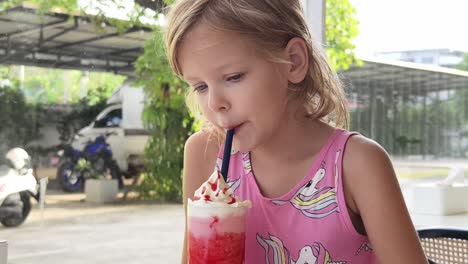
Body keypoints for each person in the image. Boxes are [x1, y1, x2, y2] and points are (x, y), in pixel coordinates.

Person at [165, 0, 428, 263]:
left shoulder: (357, 165)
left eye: (233, 77)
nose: (214, 104)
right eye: (200, 86)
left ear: (293, 62)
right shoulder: (205, 153)